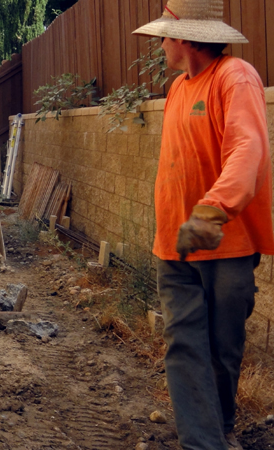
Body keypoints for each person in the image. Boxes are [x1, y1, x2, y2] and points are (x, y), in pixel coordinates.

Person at [133, 1, 274, 449]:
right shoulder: (178, 88)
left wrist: (212, 210)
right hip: (174, 244)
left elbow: (247, 149)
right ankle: (203, 442)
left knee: (221, 351)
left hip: (224, 244)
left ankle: (221, 428)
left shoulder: (235, 78)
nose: (160, 44)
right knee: (183, 345)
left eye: (164, 35)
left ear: (184, 37)